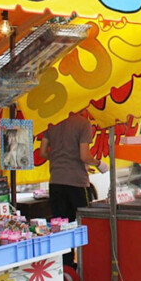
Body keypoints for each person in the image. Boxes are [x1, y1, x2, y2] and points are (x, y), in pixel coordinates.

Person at [39, 111, 108, 268]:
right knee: (82, 226)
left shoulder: (52, 122)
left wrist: (59, 159)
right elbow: (85, 156)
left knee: (62, 228)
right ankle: (86, 267)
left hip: (56, 182)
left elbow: (43, 153)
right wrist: (99, 164)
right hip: (77, 183)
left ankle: (66, 268)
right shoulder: (83, 123)